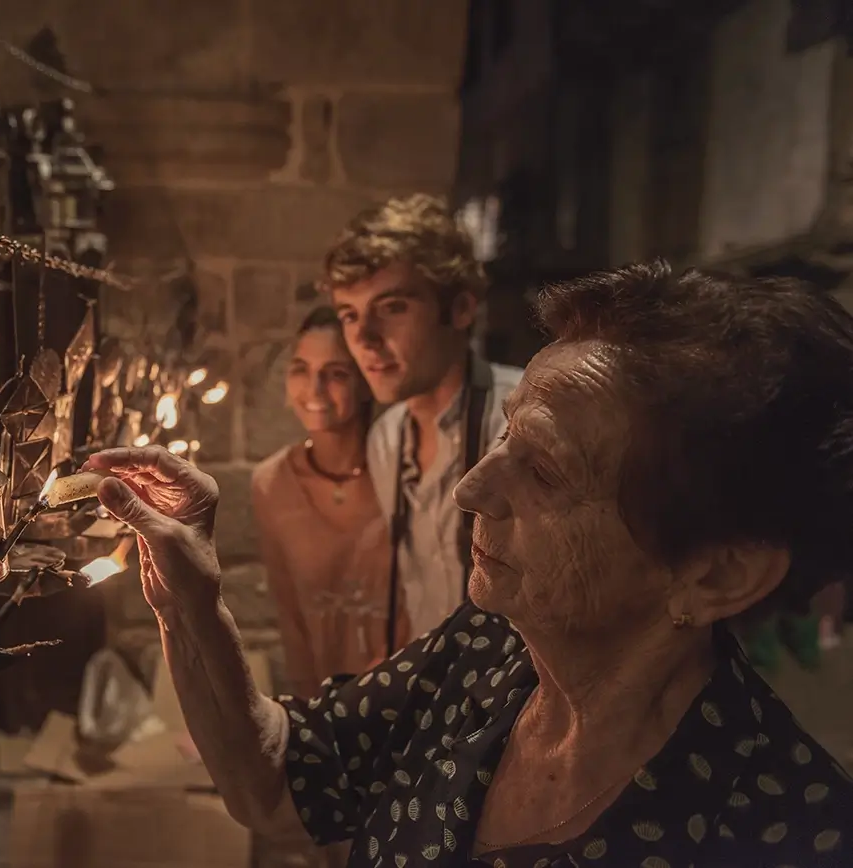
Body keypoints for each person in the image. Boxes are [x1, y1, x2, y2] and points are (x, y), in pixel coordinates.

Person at [86, 261, 853, 867]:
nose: (471, 490)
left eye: (545, 470)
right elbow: (275, 782)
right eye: (506, 435)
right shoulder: (488, 652)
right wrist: (188, 600)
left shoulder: (788, 831)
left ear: (718, 575)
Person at [323, 194, 522, 646]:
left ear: (461, 309)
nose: (364, 338)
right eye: (349, 315)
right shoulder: (386, 439)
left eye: (392, 307)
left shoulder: (520, 421)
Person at [252, 307, 400, 697]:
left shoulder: (405, 471)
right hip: (328, 702)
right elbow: (292, 619)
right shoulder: (272, 483)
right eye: (301, 369)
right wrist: (310, 712)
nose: (314, 389)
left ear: (366, 382)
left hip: (412, 693)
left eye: (336, 374)